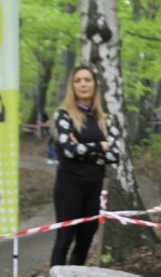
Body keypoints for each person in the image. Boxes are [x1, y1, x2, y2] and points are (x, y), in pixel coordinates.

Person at [50, 66, 120, 266]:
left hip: (94, 186)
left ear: (95, 85)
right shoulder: (63, 115)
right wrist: (100, 146)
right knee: (64, 239)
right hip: (69, 185)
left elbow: (115, 155)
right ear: (72, 86)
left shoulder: (106, 119)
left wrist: (83, 150)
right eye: (78, 80)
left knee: (85, 240)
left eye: (87, 80)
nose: (83, 84)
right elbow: (69, 150)